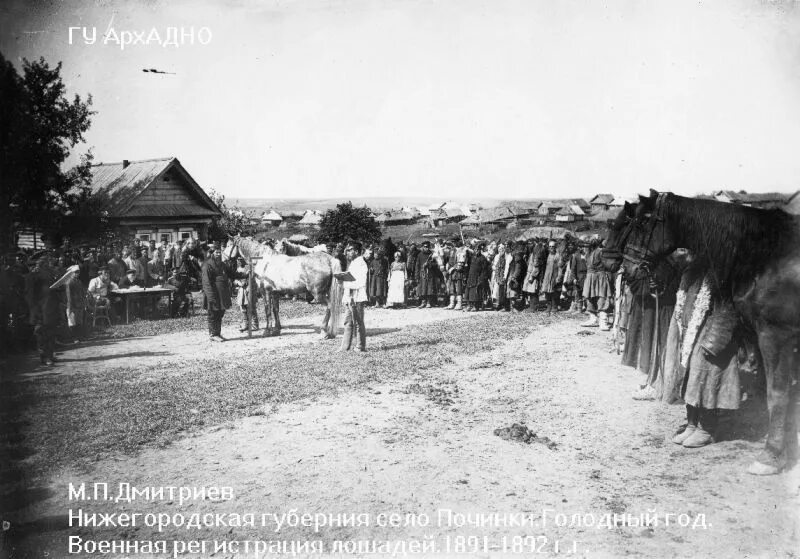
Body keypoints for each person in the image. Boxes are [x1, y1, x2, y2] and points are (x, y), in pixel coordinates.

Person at [25, 253, 62, 365]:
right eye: (43, 261)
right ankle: (44, 357)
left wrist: (58, 288)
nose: (46, 262)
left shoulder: (49, 274)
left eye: (46, 261)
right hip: (40, 311)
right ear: (37, 263)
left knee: (51, 333)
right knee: (41, 335)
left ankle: (50, 355)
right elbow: (29, 296)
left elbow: (52, 290)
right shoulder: (32, 276)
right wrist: (35, 311)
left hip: (51, 309)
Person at [339, 241, 368, 352]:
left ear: (356, 251)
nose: (348, 252)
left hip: (357, 297)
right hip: (349, 297)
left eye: (350, 250)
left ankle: (360, 346)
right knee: (348, 322)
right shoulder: (353, 263)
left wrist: (346, 282)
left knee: (358, 322)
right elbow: (349, 280)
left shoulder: (361, 263)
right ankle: (345, 346)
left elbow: (361, 282)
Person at [582, 236, 614, 330]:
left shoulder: (600, 251)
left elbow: (606, 264)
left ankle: (603, 321)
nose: (585, 247)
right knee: (589, 297)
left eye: (587, 245)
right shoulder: (587, 253)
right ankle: (593, 318)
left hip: (600, 276)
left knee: (602, 297)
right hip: (590, 276)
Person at [201, 245, 232, 342]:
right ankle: (213, 334)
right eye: (216, 252)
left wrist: (245, 274)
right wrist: (211, 297)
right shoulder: (207, 265)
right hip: (213, 294)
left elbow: (232, 274)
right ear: (212, 253)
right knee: (213, 314)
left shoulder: (222, 264)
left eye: (220, 252)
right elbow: (206, 283)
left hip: (222, 294)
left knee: (220, 313)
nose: (219, 254)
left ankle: (218, 333)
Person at [464, 243, 491, 312]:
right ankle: (470, 305)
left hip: (478, 277)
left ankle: (476, 306)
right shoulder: (472, 257)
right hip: (470, 277)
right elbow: (468, 265)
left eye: (478, 250)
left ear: (480, 250)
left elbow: (484, 270)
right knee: (469, 291)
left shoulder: (483, 258)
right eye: (475, 250)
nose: (476, 251)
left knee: (476, 292)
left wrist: (481, 278)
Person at [541, 241, 563, 314]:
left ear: (555, 247)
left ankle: (554, 307)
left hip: (554, 276)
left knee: (554, 292)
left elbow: (560, 268)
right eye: (550, 246)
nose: (551, 248)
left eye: (552, 246)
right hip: (547, 276)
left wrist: (559, 277)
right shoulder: (547, 255)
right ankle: (549, 307)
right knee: (547, 292)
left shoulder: (558, 256)